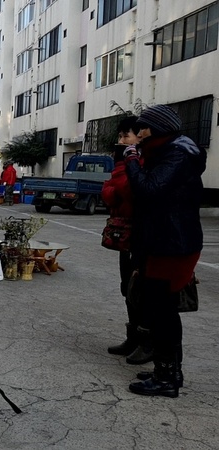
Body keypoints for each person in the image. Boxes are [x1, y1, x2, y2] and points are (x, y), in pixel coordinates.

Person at [123, 105, 205, 398]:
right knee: (159, 309)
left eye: (142, 128)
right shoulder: (166, 153)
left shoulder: (178, 154)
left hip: (173, 244)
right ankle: (166, 369)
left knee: (163, 312)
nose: (138, 135)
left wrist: (132, 161)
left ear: (157, 129)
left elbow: (150, 189)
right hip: (164, 242)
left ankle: (167, 377)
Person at [102, 116, 153, 364]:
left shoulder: (141, 161)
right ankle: (132, 337)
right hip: (125, 236)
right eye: (120, 136)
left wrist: (118, 179)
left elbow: (125, 190)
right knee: (127, 287)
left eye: (126, 136)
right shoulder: (126, 161)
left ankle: (146, 341)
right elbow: (109, 193)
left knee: (140, 289)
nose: (121, 141)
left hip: (141, 234)